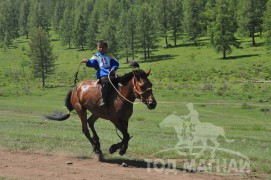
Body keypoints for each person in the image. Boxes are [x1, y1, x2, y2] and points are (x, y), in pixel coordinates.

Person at [82, 40, 119, 106]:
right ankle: (103, 99)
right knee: (106, 82)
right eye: (99, 47)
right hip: (102, 74)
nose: (101, 49)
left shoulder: (110, 56)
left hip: (111, 73)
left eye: (103, 47)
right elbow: (92, 62)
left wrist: (113, 68)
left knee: (120, 81)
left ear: (106, 48)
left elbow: (116, 63)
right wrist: (87, 61)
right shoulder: (96, 56)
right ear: (97, 48)